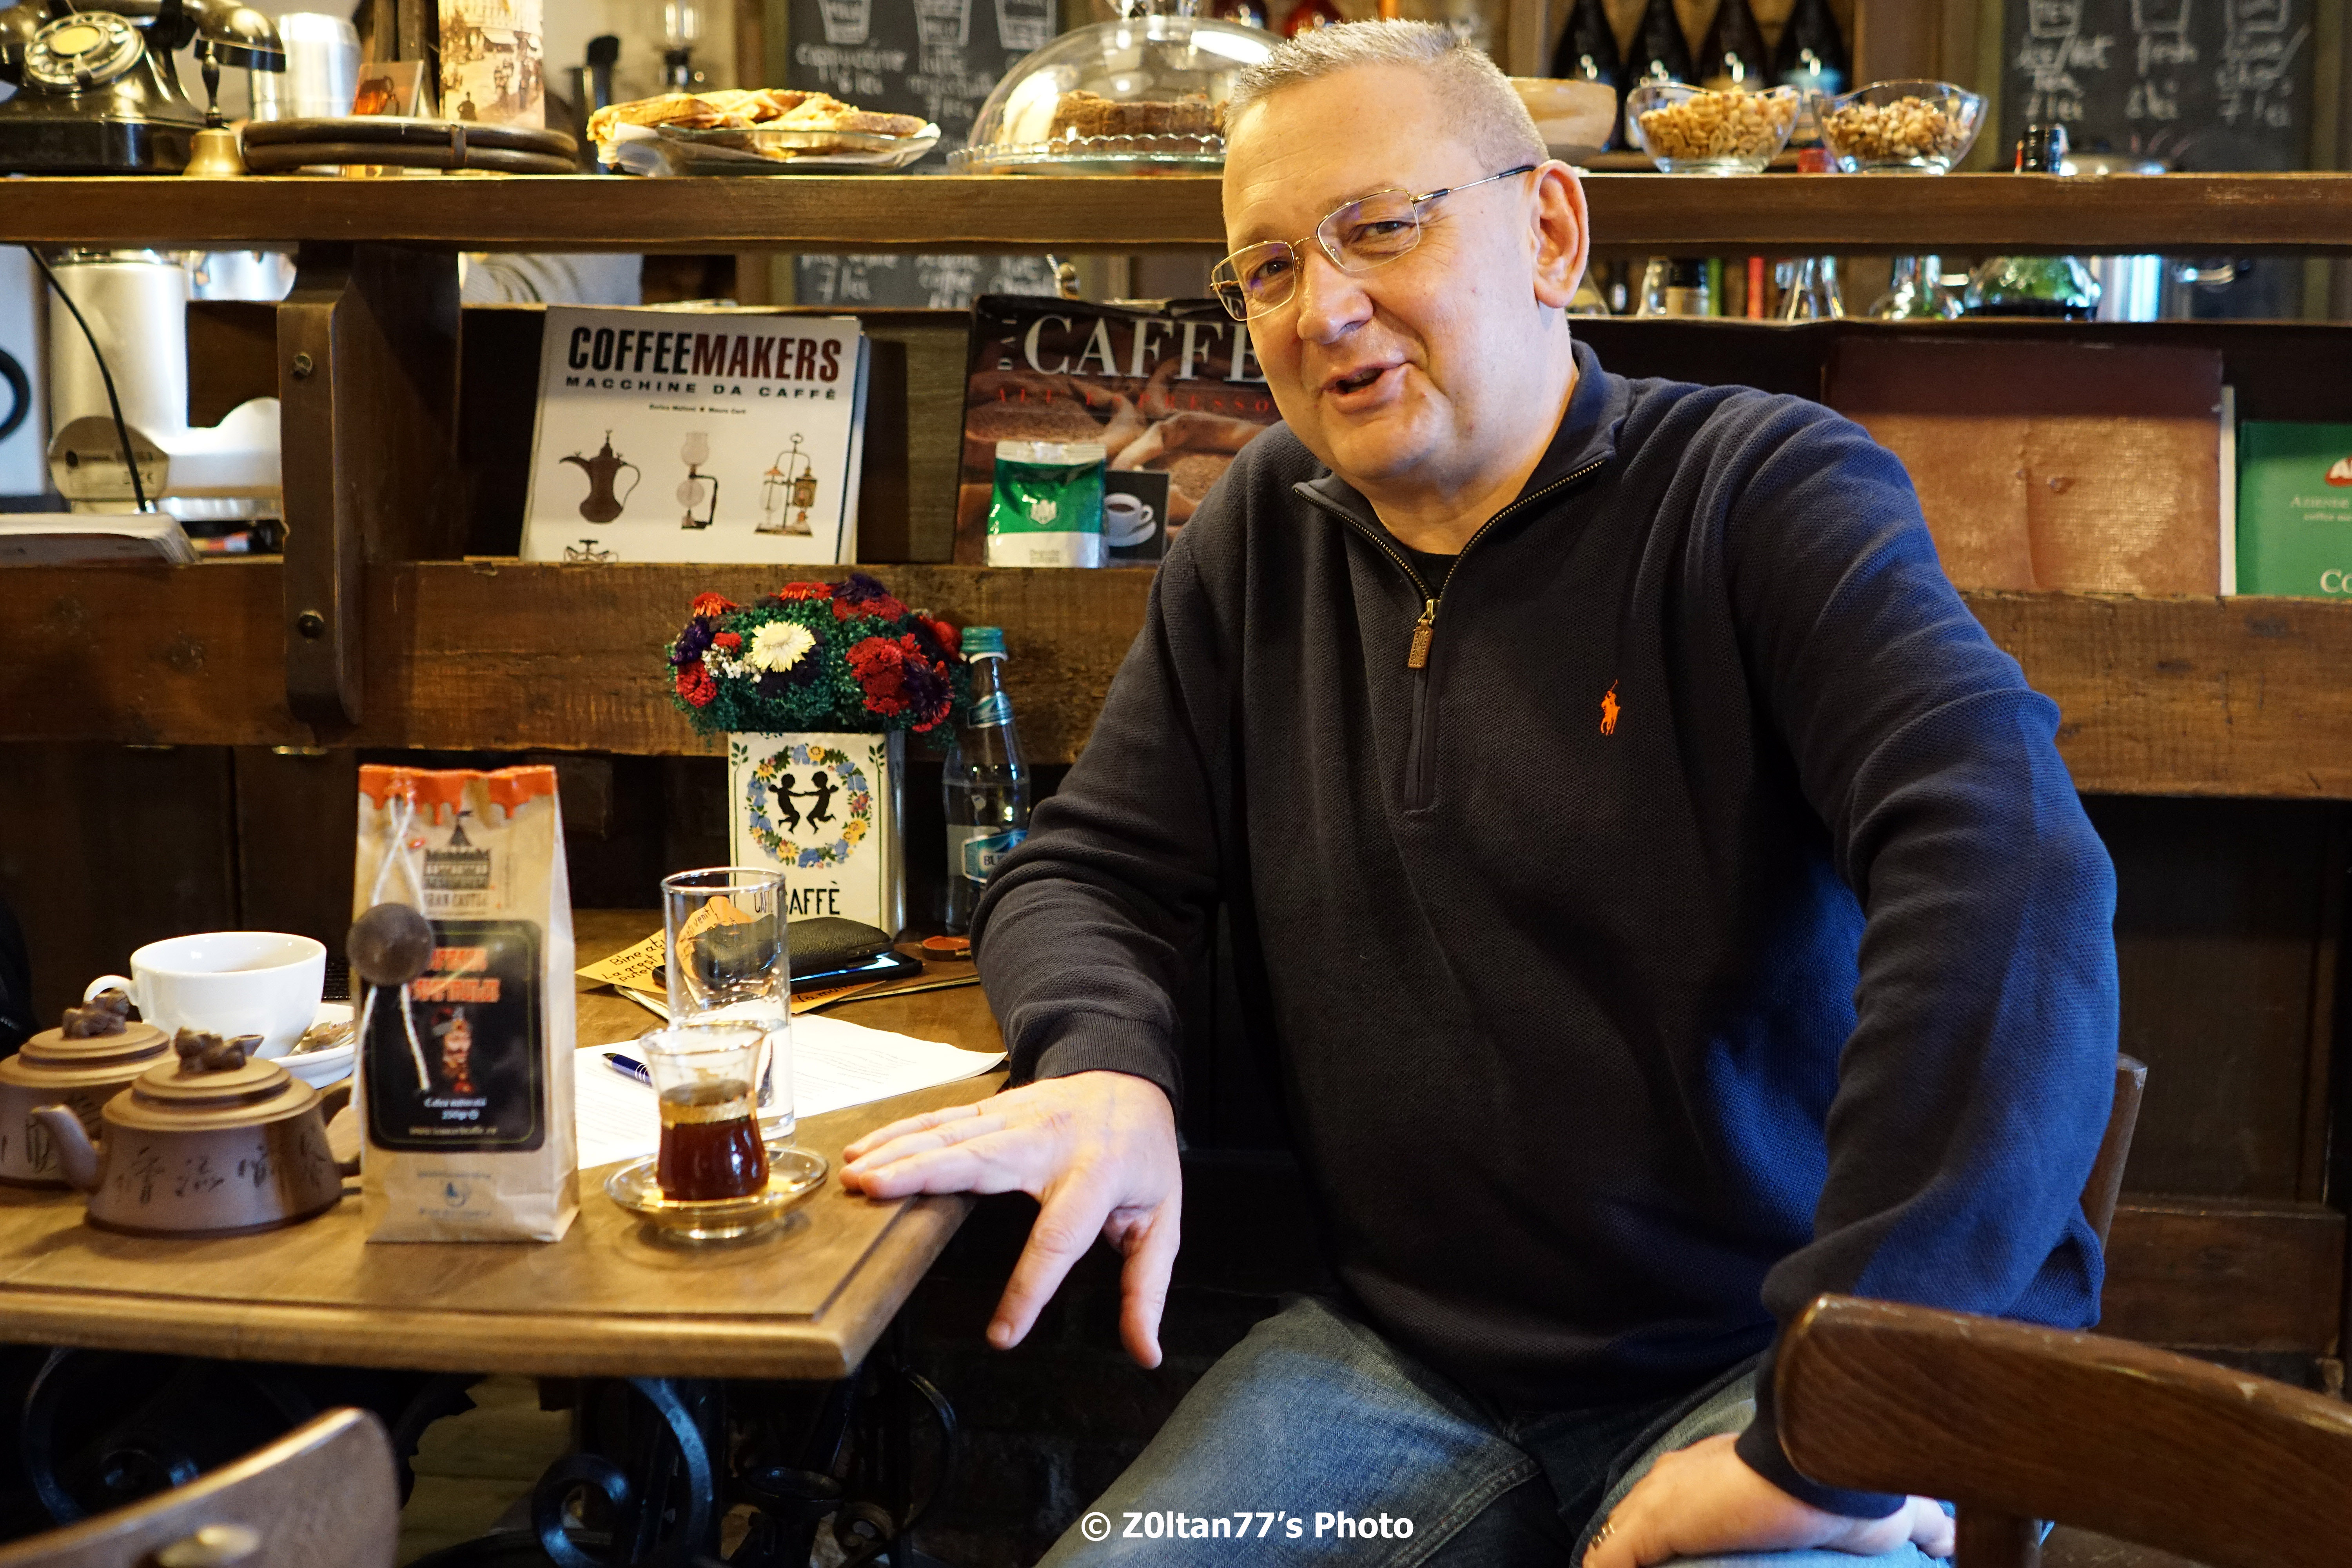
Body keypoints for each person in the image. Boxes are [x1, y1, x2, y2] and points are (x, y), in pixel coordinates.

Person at [844, 22, 2117, 1566]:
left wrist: (1844, 1414)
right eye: (1267, 269)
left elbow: (2008, 863)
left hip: (1760, 1358)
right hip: (1402, 1366)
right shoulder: (1265, 528)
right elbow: (1089, 868)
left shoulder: (1760, 492)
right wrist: (1107, 1064)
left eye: (1382, 228)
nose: (1324, 309)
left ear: (1551, 233)